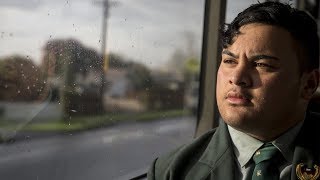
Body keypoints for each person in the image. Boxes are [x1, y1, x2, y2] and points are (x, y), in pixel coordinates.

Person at [148, 1, 320, 180]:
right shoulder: (170, 171)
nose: (237, 78)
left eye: (262, 64)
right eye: (230, 61)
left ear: (308, 84)